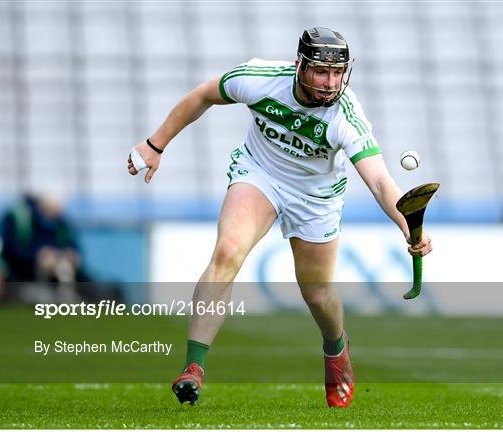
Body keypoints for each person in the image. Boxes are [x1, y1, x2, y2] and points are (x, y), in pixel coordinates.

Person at [127, 27, 432, 408]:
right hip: (260, 174)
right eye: (321, 71)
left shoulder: (345, 116)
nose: (330, 82)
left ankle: (336, 349)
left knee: (317, 294)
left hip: (316, 198)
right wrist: (156, 144)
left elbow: (380, 182)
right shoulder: (259, 79)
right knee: (227, 252)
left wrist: (408, 227)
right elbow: (204, 94)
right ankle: (194, 366)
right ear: (298, 66)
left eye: (338, 73)